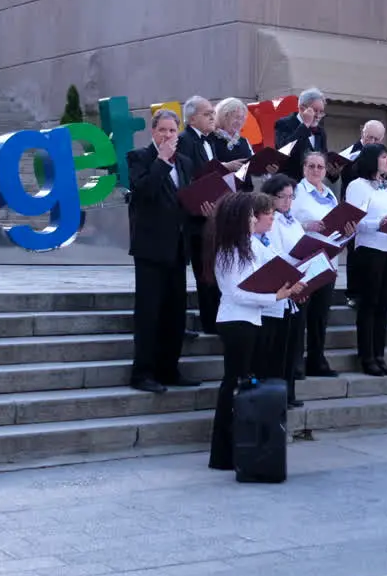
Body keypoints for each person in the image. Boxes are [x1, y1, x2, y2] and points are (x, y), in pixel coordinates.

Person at [206, 192, 303, 471]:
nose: (254, 219)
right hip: (236, 321)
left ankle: (238, 448)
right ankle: (222, 454)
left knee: (242, 383)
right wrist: (275, 296)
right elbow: (237, 292)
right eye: (250, 215)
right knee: (232, 384)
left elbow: (274, 264)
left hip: (251, 321)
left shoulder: (248, 245)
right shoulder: (229, 249)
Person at [126, 110, 199, 394]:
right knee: (149, 313)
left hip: (178, 248)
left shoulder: (185, 162)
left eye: (172, 131)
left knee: (175, 314)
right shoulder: (139, 158)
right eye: (163, 131)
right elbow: (143, 192)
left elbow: (184, 201)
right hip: (150, 248)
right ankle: (142, 373)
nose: (168, 136)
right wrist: (160, 161)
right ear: (153, 132)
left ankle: (170, 369)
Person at [346, 143, 387, 376]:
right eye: (384, 157)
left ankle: (380, 354)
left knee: (384, 304)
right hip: (370, 249)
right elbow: (354, 221)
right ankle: (367, 356)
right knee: (369, 303)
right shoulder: (357, 186)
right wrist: (379, 222)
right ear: (372, 159)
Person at [289, 151, 347, 378]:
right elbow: (286, 220)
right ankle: (295, 362)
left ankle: (317, 359)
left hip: (328, 260)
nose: (315, 171)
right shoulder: (296, 192)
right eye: (311, 166)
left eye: (320, 167)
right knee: (301, 312)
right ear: (303, 168)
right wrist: (306, 225)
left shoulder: (330, 194)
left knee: (320, 314)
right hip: (305, 261)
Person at [175, 95, 230, 335]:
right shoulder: (185, 140)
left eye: (212, 113)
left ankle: (216, 317)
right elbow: (188, 179)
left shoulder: (209, 141)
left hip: (212, 215)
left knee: (214, 268)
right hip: (196, 217)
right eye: (208, 113)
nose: (212, 117)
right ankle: (210, 320)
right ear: (193, 117)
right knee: (204, 269)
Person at [263, 173, 308, 408]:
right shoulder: (270, 221)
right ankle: (278, 394)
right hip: (280, 288)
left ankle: (289, 392)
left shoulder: (292, 220)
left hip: (297, 285)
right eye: (283, 197)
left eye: (291, 197)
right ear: (271, 197)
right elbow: (275, 254)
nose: (288, 202)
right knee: (279, 348)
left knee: (293, 345)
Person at [340, 120, 387, 307]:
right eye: (370, 137)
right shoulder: (350, 153)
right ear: (362, 132)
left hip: (374, 206)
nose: (372, 141)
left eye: (377, 139)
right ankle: (352, 293)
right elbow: (341, 177)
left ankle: (367, 289)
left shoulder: (380, 154)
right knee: (354, 250)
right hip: (354, 203)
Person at [273, 88, 329, 181]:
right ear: (302, 108)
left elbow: (323, 158)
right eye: (315, 110)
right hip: (289, 184)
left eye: (321, 112)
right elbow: (284, 151)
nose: (318, 116)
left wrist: (332, 172)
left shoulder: (320, 132)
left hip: (313, 186)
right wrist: (305, 125)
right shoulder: (283, 124)